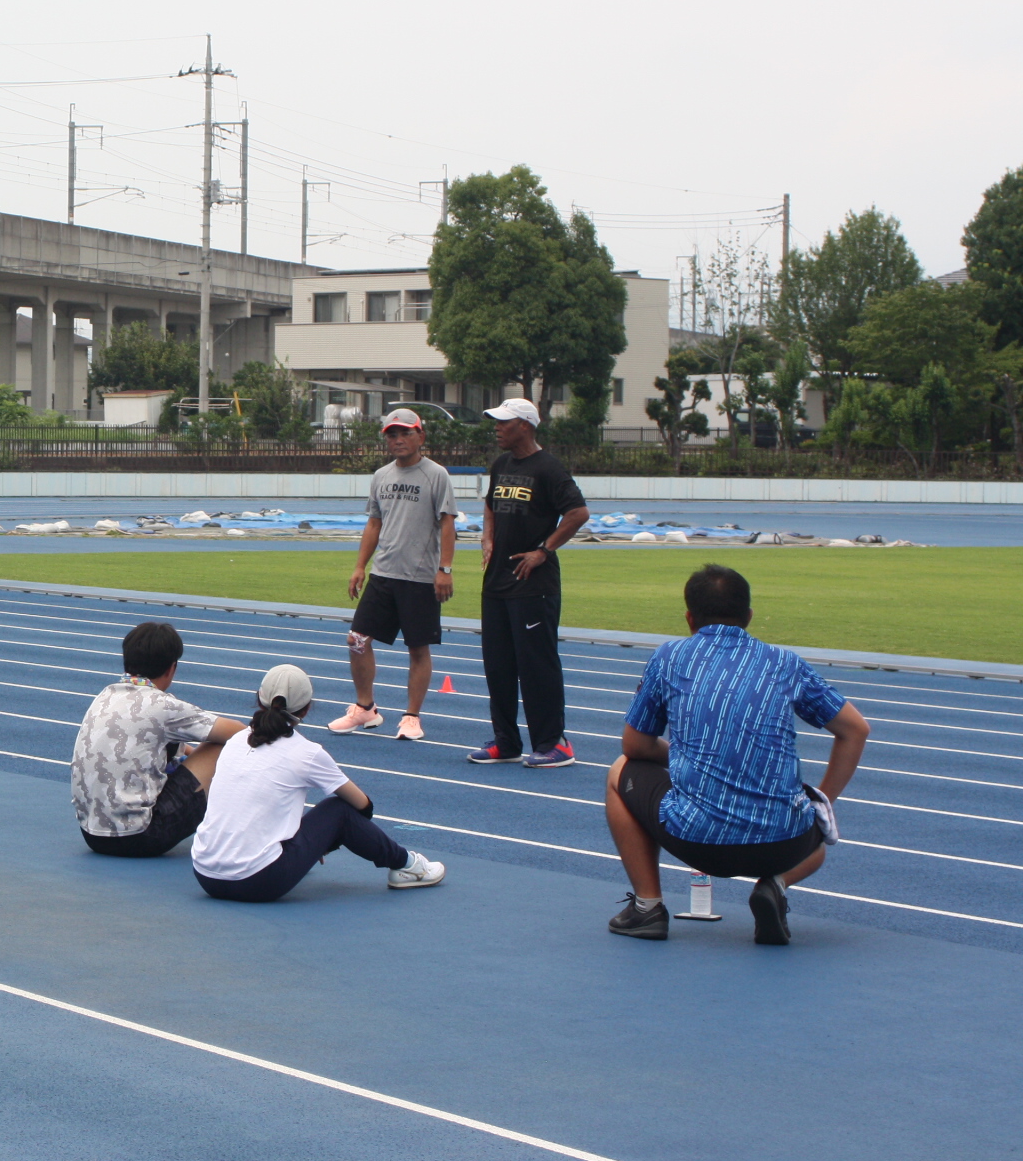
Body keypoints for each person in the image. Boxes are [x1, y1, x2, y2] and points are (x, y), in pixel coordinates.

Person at [604, 564, 872, 945]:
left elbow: (634, 746)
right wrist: (823, 800)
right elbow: (856, 730)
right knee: (813, 826)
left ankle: (648, 907)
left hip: (699, 843)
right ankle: (775, 885)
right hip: (784, 845)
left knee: (620, 770)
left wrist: (684, 755)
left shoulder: (669, 658)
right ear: (749, 616)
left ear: (689, 618)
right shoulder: (785, 663)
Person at [193, 664, 446, 902]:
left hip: (205, 875)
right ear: (306, 709)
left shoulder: (235, 740)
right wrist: (325, 839)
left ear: (259, 699)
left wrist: (315, 841)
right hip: (259, 882)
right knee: (338, 809)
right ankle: (408, 866)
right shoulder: (307, 752)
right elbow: (363, 806)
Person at [469, 398, 588, 768]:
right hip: (498, 582)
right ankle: (506, 741)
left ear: (525, 425)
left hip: (534, 585)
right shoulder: (501, 464)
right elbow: (490, 504)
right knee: (498, 666)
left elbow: (578, 512)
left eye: (503, 422)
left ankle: (554, 743)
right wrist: (488, 537)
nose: (497, 428)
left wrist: (543, 550)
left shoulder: (548, 468)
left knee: (537, 666)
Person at [329, 410, 458, 743]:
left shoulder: (436, 475)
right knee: (357, 640)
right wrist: (360, 566)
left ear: (420, 436)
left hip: (420, 578)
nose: (398, 440)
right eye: (392, 434)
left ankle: (412, 716)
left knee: (417, 648)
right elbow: (374, 523)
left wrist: (445, 569)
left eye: (405, 433)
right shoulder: (381, 476)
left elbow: (447, 523)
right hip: (383, 574)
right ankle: (365, 708)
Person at [70, 622, 246, 857]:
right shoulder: (163, 706)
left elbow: (168, 746)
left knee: (170, 749)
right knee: (220, 746)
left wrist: (191, 758)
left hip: (92, 835)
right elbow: (239, 732)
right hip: (140, 837)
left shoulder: (105, 696)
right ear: (172, 668)